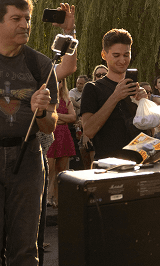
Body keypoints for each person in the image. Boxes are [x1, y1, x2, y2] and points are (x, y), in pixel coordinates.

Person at [0, 0, 58, 266]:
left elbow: (50, 127)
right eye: (16, 18)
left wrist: (41, 111)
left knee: (24, 248)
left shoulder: (41, 65)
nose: (25, 25)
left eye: (28, 18)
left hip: (27, 159)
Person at [81, 29, 146, 160]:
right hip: (108, 166)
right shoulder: (93, 88)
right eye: (116, 55)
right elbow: (88, 130)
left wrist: (144, 104)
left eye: (126, 55)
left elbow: (150, 131)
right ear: (104, 55)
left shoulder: (134, 88)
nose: (122, 60)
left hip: (139, 163)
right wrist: (115, 97)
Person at [46, 79, 77, 207]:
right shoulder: (46, 98)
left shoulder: (66, 99)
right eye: (55, 81)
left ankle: (58, 200)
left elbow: (73, 118)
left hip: (63, 135)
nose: (58, 84)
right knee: (50, 169)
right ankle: (48, 197)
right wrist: (63, 118)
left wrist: (56, 116)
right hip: (49, 135)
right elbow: (45, 117)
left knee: (62, 171)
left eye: (60, 81)